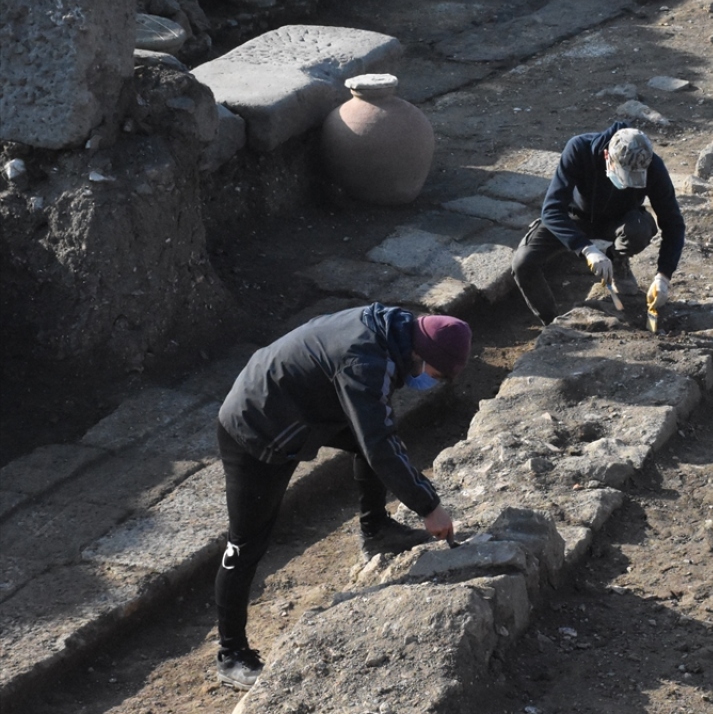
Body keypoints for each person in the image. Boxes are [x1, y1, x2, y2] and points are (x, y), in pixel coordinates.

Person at [212, 303, 471, 689]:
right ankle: (231, 654)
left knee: (375, 436)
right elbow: (379, 445)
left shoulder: (396, 329)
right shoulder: (367, 363)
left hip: (304, 404)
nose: (430, 382)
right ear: (421, 354)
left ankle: (376, 529)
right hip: (257, 423)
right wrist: (429, 507)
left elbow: (377, 433)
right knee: (245, 544)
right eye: (435, 374)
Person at [511, 122, 685, 325]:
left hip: (619, 222)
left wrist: (664, 275)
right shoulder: (579, 149)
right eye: (624, 176)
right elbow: (551, 210)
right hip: (575, 218)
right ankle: (551, 322)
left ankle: (617, 262)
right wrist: (585, 248)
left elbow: (673, 223)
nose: (627, 184)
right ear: (607, 157)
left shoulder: (652, 166)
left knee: (638, 229)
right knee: (522, 263)